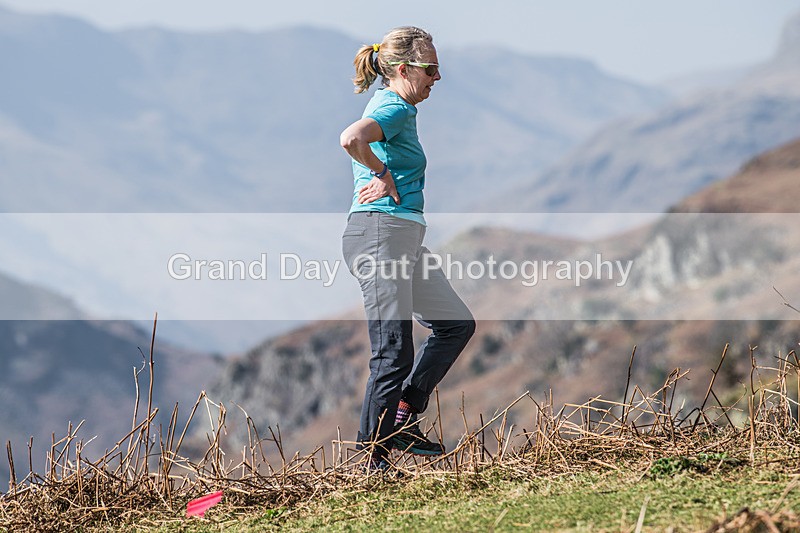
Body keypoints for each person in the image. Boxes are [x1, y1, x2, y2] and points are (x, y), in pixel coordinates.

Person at [339, 26, 476, 469]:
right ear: (403, 69)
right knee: (393, 352)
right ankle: (372, 462)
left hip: (401, 238)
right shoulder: (393, 107)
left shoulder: (399, 108)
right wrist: (381, 173)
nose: (438, 77)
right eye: (431, 68)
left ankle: (402, 414)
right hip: (380, 236)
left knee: (455, 324)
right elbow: (351, 138)